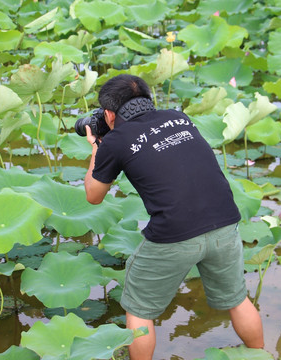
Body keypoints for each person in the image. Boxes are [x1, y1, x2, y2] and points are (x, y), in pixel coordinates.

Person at [84, 74, 263, 359]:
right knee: (238, 300)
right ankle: (261, 355)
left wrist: (97, 145)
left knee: (139, 311)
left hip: (174, 234)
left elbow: (93, 195)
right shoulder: (179, 118)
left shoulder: (116, 140)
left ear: (108, 113)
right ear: (147, 99)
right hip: (225, 221)